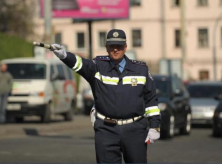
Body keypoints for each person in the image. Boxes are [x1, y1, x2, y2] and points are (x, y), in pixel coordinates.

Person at [51, 29, 160, 163]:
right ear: (106, 47)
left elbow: (151, 100)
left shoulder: (141, 70)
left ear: (125, 47)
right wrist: (64, 55)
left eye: (119, 46)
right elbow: (79, 63)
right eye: (112, 46)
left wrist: (155, 126)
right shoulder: (97, 66)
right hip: (106, 131)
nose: (115, 49)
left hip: (135, 130)